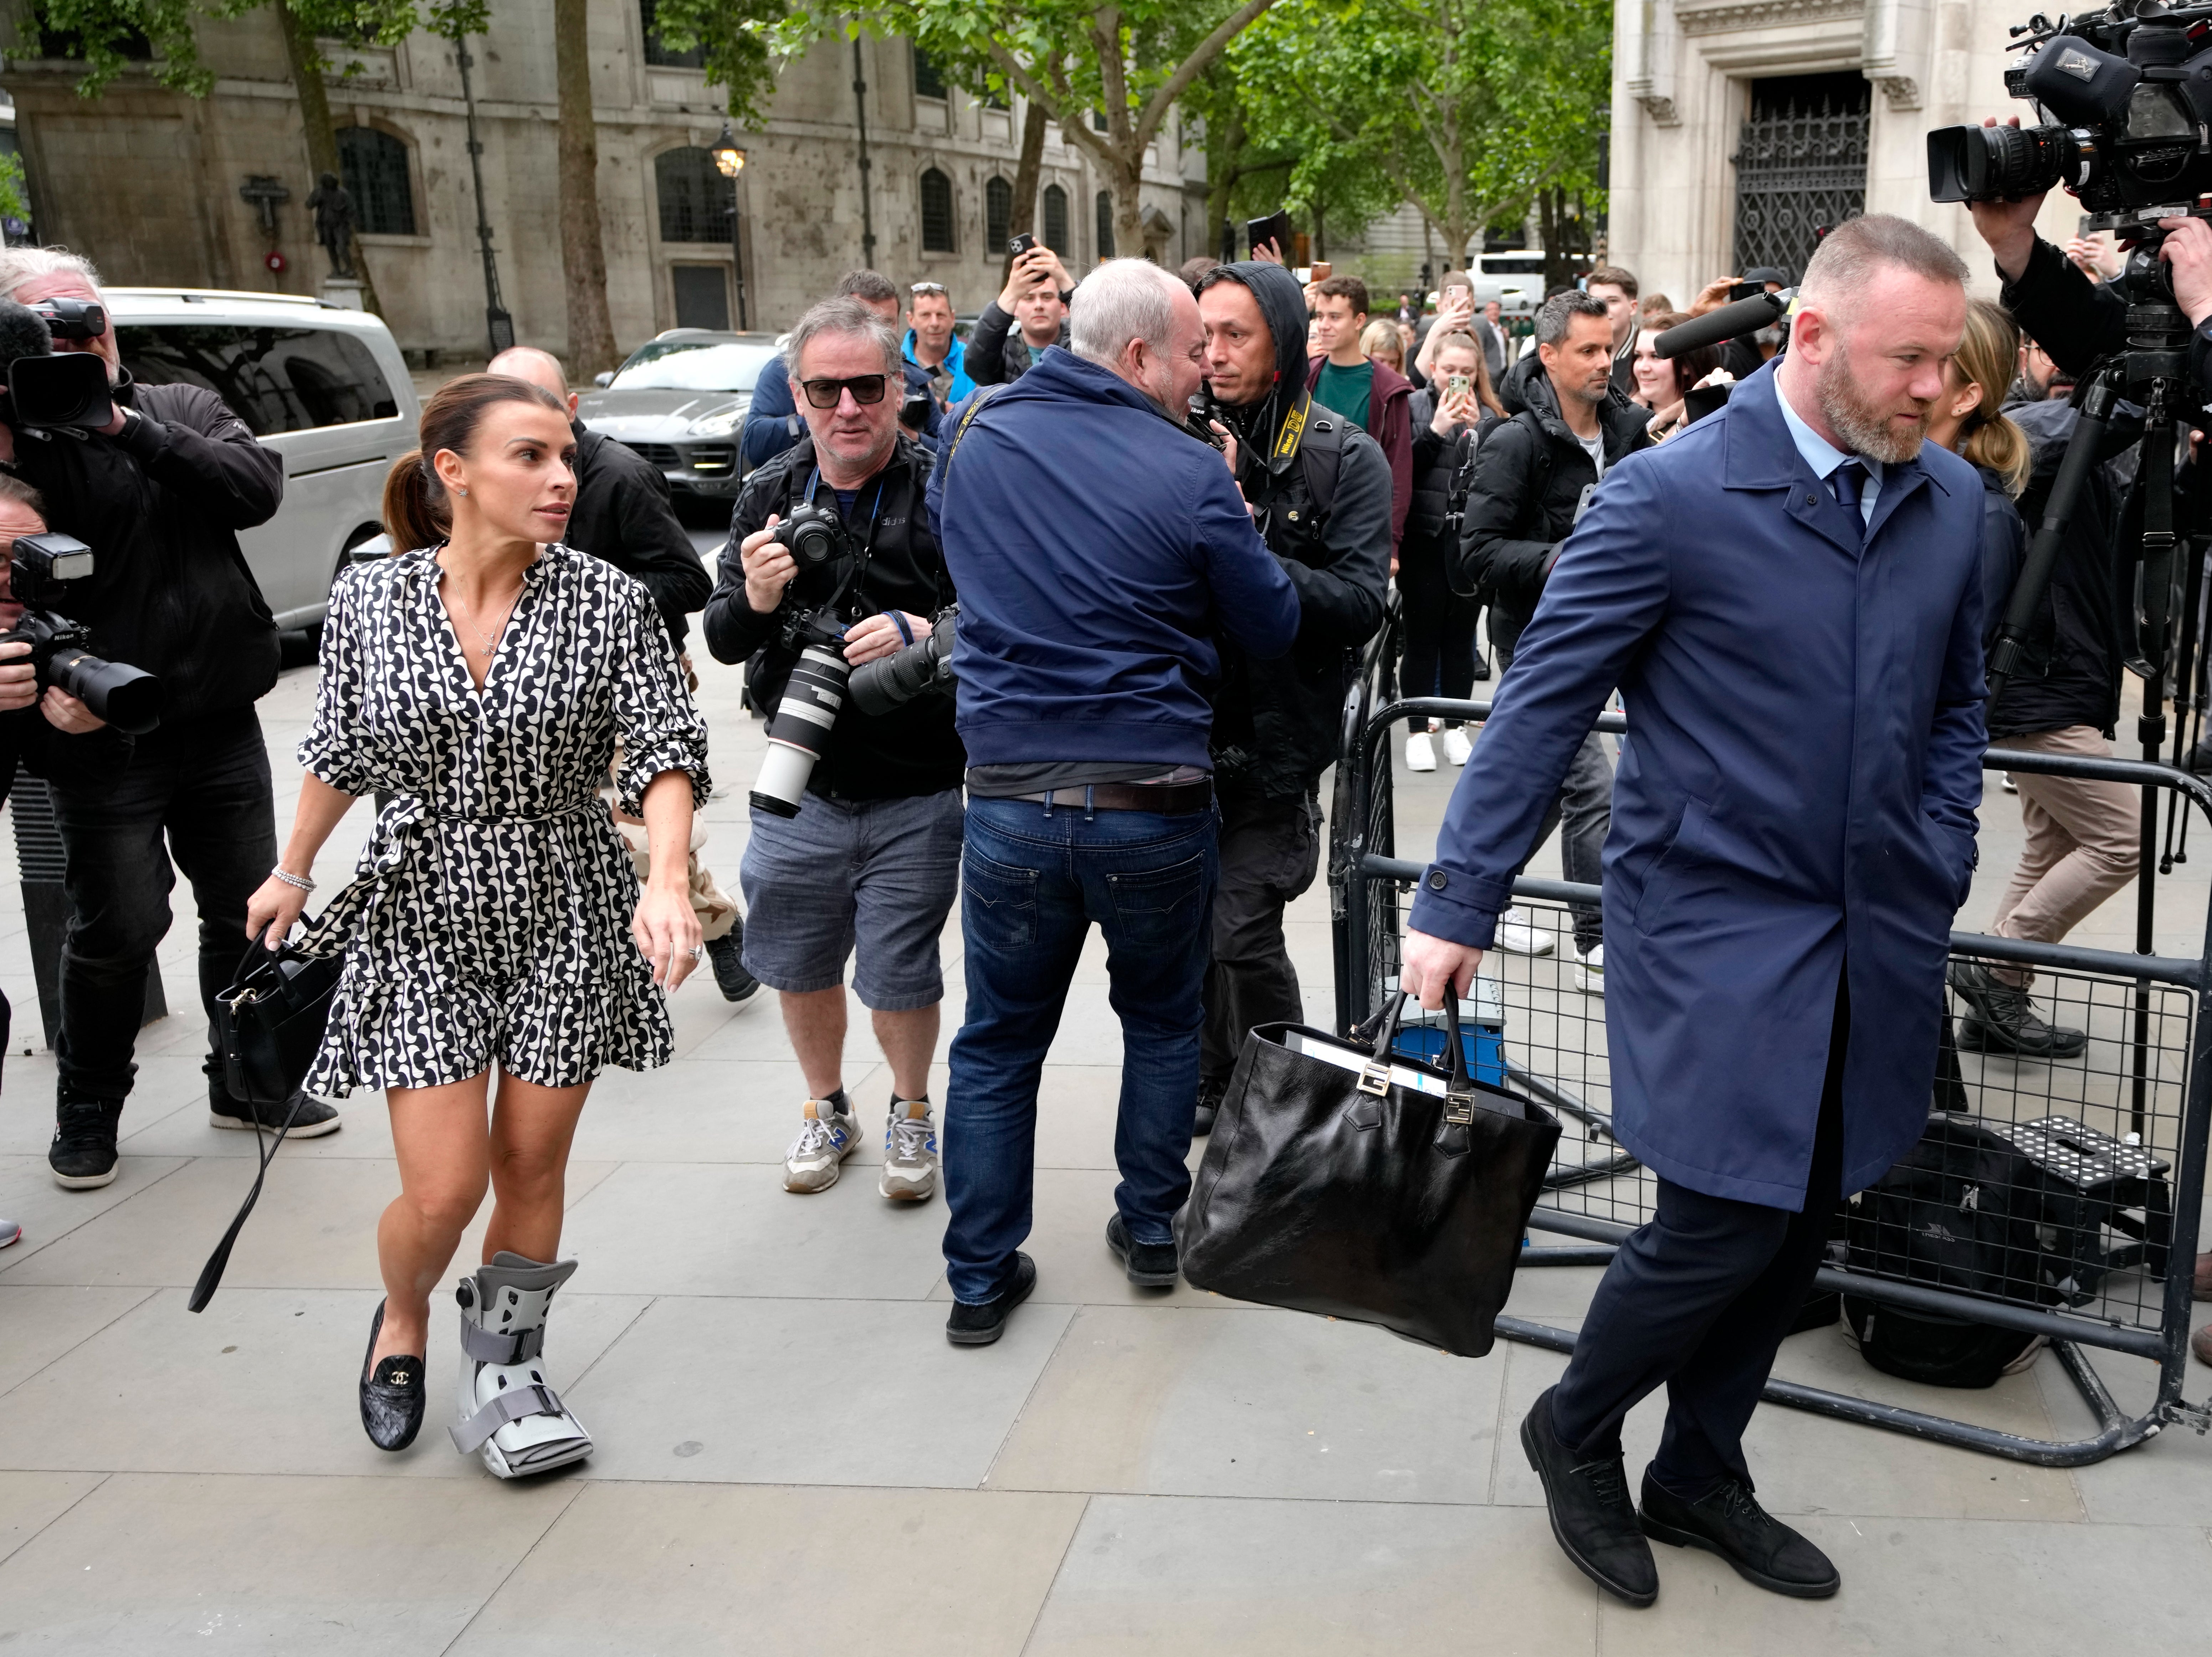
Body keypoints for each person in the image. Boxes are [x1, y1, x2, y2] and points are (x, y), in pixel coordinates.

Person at [1404, 214, 1986, 1609]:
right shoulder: (1667, 498)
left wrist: (1943, 844)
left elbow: (1958, 701)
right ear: (1812, 340)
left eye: (1950, 365)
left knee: (1807, 1216)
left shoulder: (1959, 504)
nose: (1937, 391)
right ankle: (1576, 1423)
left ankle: (1701, 1469)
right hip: (1715, 928)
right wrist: (1458, 898)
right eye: (1911, 362)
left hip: (1877, 925)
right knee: (1725, 1214)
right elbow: (1543, 704)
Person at [245, 374, 709, 1473]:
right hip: (421, 906)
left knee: (531, 1163)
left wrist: (669, 879)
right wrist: (292, 867)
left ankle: (506, 1366)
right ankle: (402, 1311)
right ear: (453, 471)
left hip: (566, 899)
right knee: (444, 1188)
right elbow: (341, 745)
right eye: (531, 457)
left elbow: (664, 747)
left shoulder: (608, 600)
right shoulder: (373, 599)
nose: (561, 479)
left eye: (567, 458)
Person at [928, 258, 1300, 1343]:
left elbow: (965, 570)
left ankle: (979, 1276)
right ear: (1137, 354)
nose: (1204, 370)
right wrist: (1228, 516)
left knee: (998, 1042)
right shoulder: (1187, 470)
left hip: (1009, 798)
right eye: (1191, 351)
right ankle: (1149, 1227)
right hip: (1153, 798)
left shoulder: (973, 435)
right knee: (1161, 1021)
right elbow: (1271, 624)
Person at [0, 246, 343, 1190]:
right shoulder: (19, 441)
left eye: (87, 316)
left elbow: (254, 489)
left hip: (221, 715)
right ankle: (89, 1107)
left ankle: (249, 1083)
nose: (79, 335)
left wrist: (119, 424)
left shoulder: (177, 407)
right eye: (52, 325)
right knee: (117, 928)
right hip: (99, 732)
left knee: (248, 914)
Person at [704, 298, 964, 1204]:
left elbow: (1000, 618)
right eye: (826, 389)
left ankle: (909, 1106)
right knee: (799, 961)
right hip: (798, 783)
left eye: (866, 385)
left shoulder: (947, 486)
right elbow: (724, 638)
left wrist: (922, 630)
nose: (847, 407)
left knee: (900, 970)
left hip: (918, 782)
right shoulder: (768, 494)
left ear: (901, 388)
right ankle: (825, 1105)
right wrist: (761, 600)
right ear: (800, 395)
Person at [485, 345, 752, 1006]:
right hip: (537, 700)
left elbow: (688, 580)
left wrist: (588, 601)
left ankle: (713, 922)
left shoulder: (620, 476)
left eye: (540, 410)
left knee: (644, 840)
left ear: (571, 410)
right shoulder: (485, 483)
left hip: (629, 695)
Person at [1192, 258, 1393, 1133]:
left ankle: (1283, 1102)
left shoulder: (1340, 456)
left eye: (1235, 335)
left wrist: (1246, 538)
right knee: (1186, 939)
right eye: (1201, 337)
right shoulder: (1170, 438)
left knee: (1239, 930)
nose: (1214, 355)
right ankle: (1211, 1084)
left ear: (1281, 343)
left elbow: (1359, 604)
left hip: (1277, 740)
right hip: (1174, 734)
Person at [1946, 300, 2139, 1060]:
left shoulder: (2040, 433)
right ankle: (1996, 964)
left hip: (2066, 675)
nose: (2061, 365)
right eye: (2043, 347)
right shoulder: (2022, 435)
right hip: (2038, 687)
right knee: (2121, 836)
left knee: (2053, 837)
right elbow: (2117, 410)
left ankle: (1997, 1009)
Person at [1460, 289, 1651, 984]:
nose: (1607, 362)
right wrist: (1556, 559)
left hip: (1626, 636)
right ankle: (1596, 938)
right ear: (1548, 354)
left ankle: (1472, 890)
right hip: (1540, 639)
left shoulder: (1632, 428)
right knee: (1591, 783)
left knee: (1543, 787)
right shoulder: (1516, 441)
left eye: (1612, 348)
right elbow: (1476, 553)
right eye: (1590, 351)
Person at [0, 472, 142, 1252]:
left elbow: (85, 781)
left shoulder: (35, 640)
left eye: (26, 558)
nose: (11, 580)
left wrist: (87, 728)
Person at [1400, 329, 1503, 771]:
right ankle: (1418, 730)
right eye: (1449, 371)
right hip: (1424, 539)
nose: (1457, 380)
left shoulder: (1492, 416)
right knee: (1422, 639)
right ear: (1434, 370)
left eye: (1467, 372)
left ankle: (1457, 727)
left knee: (1462, 638)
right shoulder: (1412, 407)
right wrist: (1438, 431)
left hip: (1468, 542)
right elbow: (1400, 470)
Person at [742, 270, 940, 467]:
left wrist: (906, 433)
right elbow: (754, 444)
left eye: (887, 323)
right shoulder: (787, 369)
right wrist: (821, 418)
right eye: (824, 388)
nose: (849, 410)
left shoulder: (909, 375)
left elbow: (948, 448)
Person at [1307, 274, 1412, 552]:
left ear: (1359, 321)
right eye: (1319, 316)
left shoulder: (1389, 388)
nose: (1324, 326)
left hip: (1364, 524)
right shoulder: (1306, 377)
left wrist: (1392, 542)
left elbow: (1399, 468)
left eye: (1335, 317)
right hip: (1307, 522)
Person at [968, 241, 1072, 385]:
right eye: (1029, 299)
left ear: (1063, 306)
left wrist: (1065, 280)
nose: (1039, 306)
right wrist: (1011, 293)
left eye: (1047, 297)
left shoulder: (1081, 345)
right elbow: (976, 365)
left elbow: (1102, 331)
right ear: (1015, 308)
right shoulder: (1003, 353)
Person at [1629, 313, 1727, 442]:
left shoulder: (1708, 422)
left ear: (1686, 365)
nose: (1643, 367)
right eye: (1638, 356)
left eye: (1656, 357)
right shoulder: (1619, 416)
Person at [904, 281, 975, 408]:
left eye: (941, 315)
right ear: (911, 320)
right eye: (925, 315)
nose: (935, 323)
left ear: (952, 318)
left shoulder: (974, 359)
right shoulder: (897, 365)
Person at [1585, 264, 1640, 398]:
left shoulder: (1648, 353)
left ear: (1633, 307)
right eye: (1596, 302)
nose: (1604, 309)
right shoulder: (1578, 350)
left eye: (1613, 301)